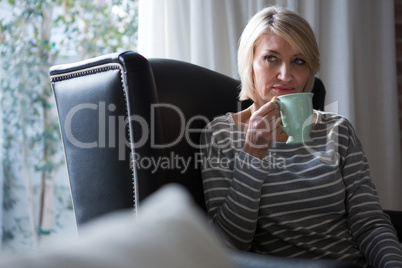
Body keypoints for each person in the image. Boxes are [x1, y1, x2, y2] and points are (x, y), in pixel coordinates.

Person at [200, 5, 402, 268]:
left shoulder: (338, 129)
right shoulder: (221, 134)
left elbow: (369, 223)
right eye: (271, 58)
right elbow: (227, 245)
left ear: (310, 70)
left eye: (298, 61)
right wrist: (253, 153)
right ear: (249, 63)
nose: (286, 75)